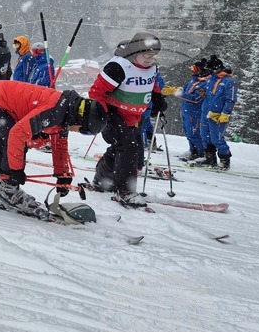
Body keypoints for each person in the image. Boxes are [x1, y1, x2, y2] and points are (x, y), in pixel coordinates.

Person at [0, 80, 107, 217]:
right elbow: (17, 134)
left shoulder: (67, 113)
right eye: (84, 131)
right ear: (81, 121)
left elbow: (59, 145)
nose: (79, 132)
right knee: (14, 140)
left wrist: (62, 174)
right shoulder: (54, 113)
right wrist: (15, 171)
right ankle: (8, 189)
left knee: (4, 138)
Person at [89, 31, 167, 205]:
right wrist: (101, 112)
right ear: (134, 52)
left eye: (153, 56)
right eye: (146, 55)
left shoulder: (152, 67)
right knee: (128, 147)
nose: (150, 59)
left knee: (129, 152)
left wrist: (158, 99)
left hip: (134, 117)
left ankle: (102, 179)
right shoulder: (118, 67)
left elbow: (152, 84)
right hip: (113, 114)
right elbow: (96, 91)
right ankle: (125, 191)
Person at [197, 55, 235, 169]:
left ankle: (224, 159)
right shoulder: (211, 80)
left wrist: (225, 113)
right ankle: (210, 158)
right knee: (205, 136)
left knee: (217, 138)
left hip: (218, 115)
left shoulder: (229, 81)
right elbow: (210, 95)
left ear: (217, 68)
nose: (210, 71)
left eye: (211, 69)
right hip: (206, 112)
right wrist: (204, 93)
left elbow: (231, 99)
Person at [176, 57, 209, 161]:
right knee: (188, 132)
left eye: (195, 69)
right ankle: (193, 151)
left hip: (196, 112)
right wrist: (178, 90)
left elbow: (195, 99)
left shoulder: (205, 83)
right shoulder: (194, 81)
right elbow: (185, 91)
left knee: (195, 133)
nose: (193, 71)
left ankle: (200, 153)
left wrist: (178, 93)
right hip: (187, 110)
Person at [138, 69, 166, 169]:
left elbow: (158, 88)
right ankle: (150, 142)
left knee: (140, 127)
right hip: (147, 103)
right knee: (146, 124)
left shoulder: (150, 75)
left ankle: (143, 148)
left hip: (145, 103)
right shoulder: (153, 75)